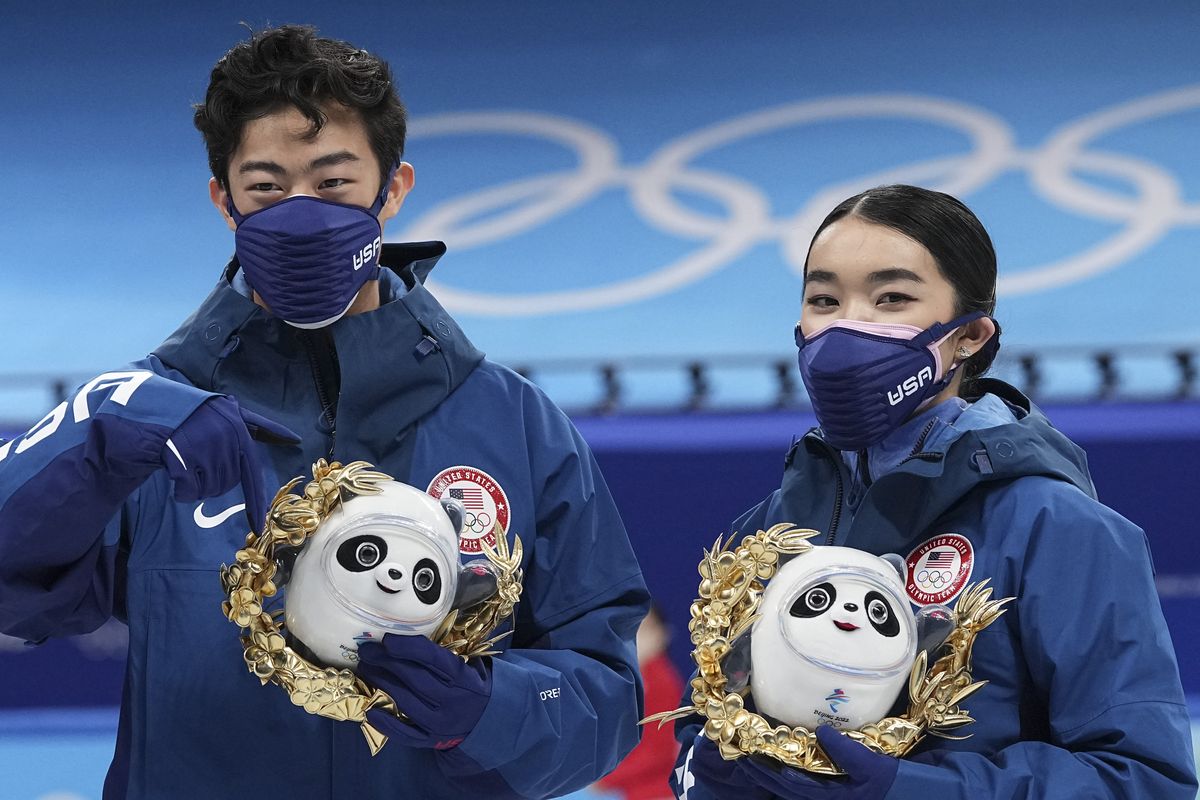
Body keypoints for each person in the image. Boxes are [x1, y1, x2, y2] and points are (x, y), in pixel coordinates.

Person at [0, 25, 648, 799]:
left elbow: (607, 697)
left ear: (394, 187)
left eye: (334, 183)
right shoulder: (149, 421)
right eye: (267, 187)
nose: (301, 214)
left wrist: (491, 709)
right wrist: (95, 435)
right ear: (224, 200)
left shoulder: (518, 426)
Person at [669, 184, 1198, 799]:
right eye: (824, 298)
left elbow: (1142, 780)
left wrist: (914, 790)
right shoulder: (767, 531)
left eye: (891, 297)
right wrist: (710, 771)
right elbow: (702, 727)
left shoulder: (1057, 528)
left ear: (969, 334)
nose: (848, 325)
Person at [598, 603, 685, 800]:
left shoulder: (661, 680)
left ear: (662, 635)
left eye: (643, 629)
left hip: (652, 788)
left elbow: (658, 752)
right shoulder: (622, 678)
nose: (635, 639)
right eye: (629, 629)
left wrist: (606, 780)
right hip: (624, 784)